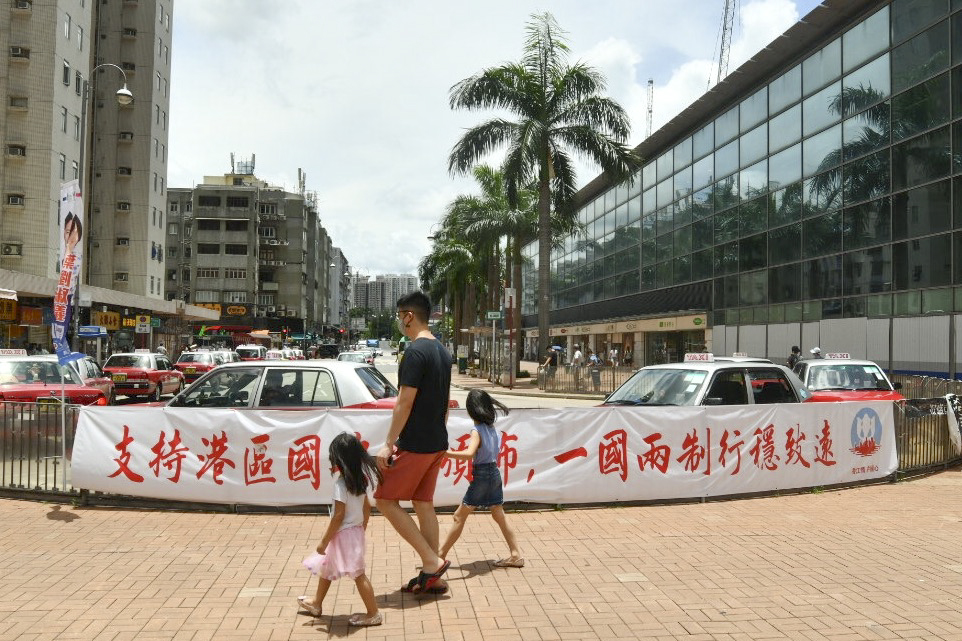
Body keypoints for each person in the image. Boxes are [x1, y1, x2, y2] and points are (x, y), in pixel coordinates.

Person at [374, 291, 452, 594]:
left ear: (408, 315)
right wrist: (439, 432)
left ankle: (432, 562)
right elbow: (445, 401)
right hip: (436, 441)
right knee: (423, 503)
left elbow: (403, 403)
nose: (398, 321)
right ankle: (434, 574)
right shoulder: (442, 352)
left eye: (398, 315)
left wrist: (388, 443)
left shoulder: (415, 352)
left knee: (384, 499)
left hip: (417, 443)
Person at [297, 433, 383, 626]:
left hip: (343, 533)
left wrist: (324, 541)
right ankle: (317, 603)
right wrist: (362, 526)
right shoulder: (361, 479)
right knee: (327, 568)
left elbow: (338, 515)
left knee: (358, 573)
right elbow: (367, 506)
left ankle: (373, 613)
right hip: (354, 532)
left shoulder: (341, 483)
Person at [439, 389, 523, 568]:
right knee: (499, 514)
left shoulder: (476, 430)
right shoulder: (491, 428)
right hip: (494, 473)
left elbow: (469, 454)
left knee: (458, 516)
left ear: (472, 410)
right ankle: (515, 554)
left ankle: (439, 556)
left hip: (482, 475)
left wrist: (446, 453)